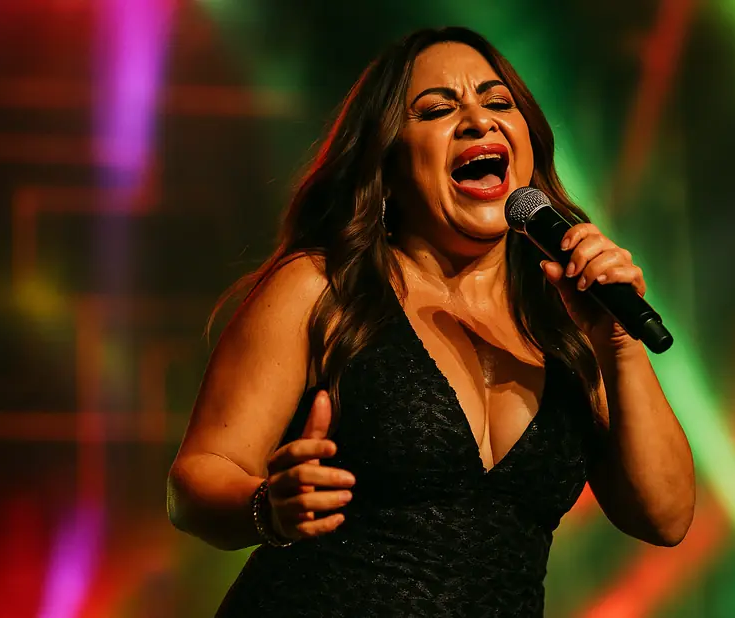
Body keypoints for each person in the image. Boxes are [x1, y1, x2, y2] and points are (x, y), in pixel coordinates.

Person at [167, 26, 695, 617]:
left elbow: (667, 517)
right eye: (438, 110)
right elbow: (196, 480)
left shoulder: (570, 318)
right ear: (388, 162)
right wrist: (268, 507)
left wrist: (618, 344)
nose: (478, 121)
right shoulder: (326, 287)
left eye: (498, 103)